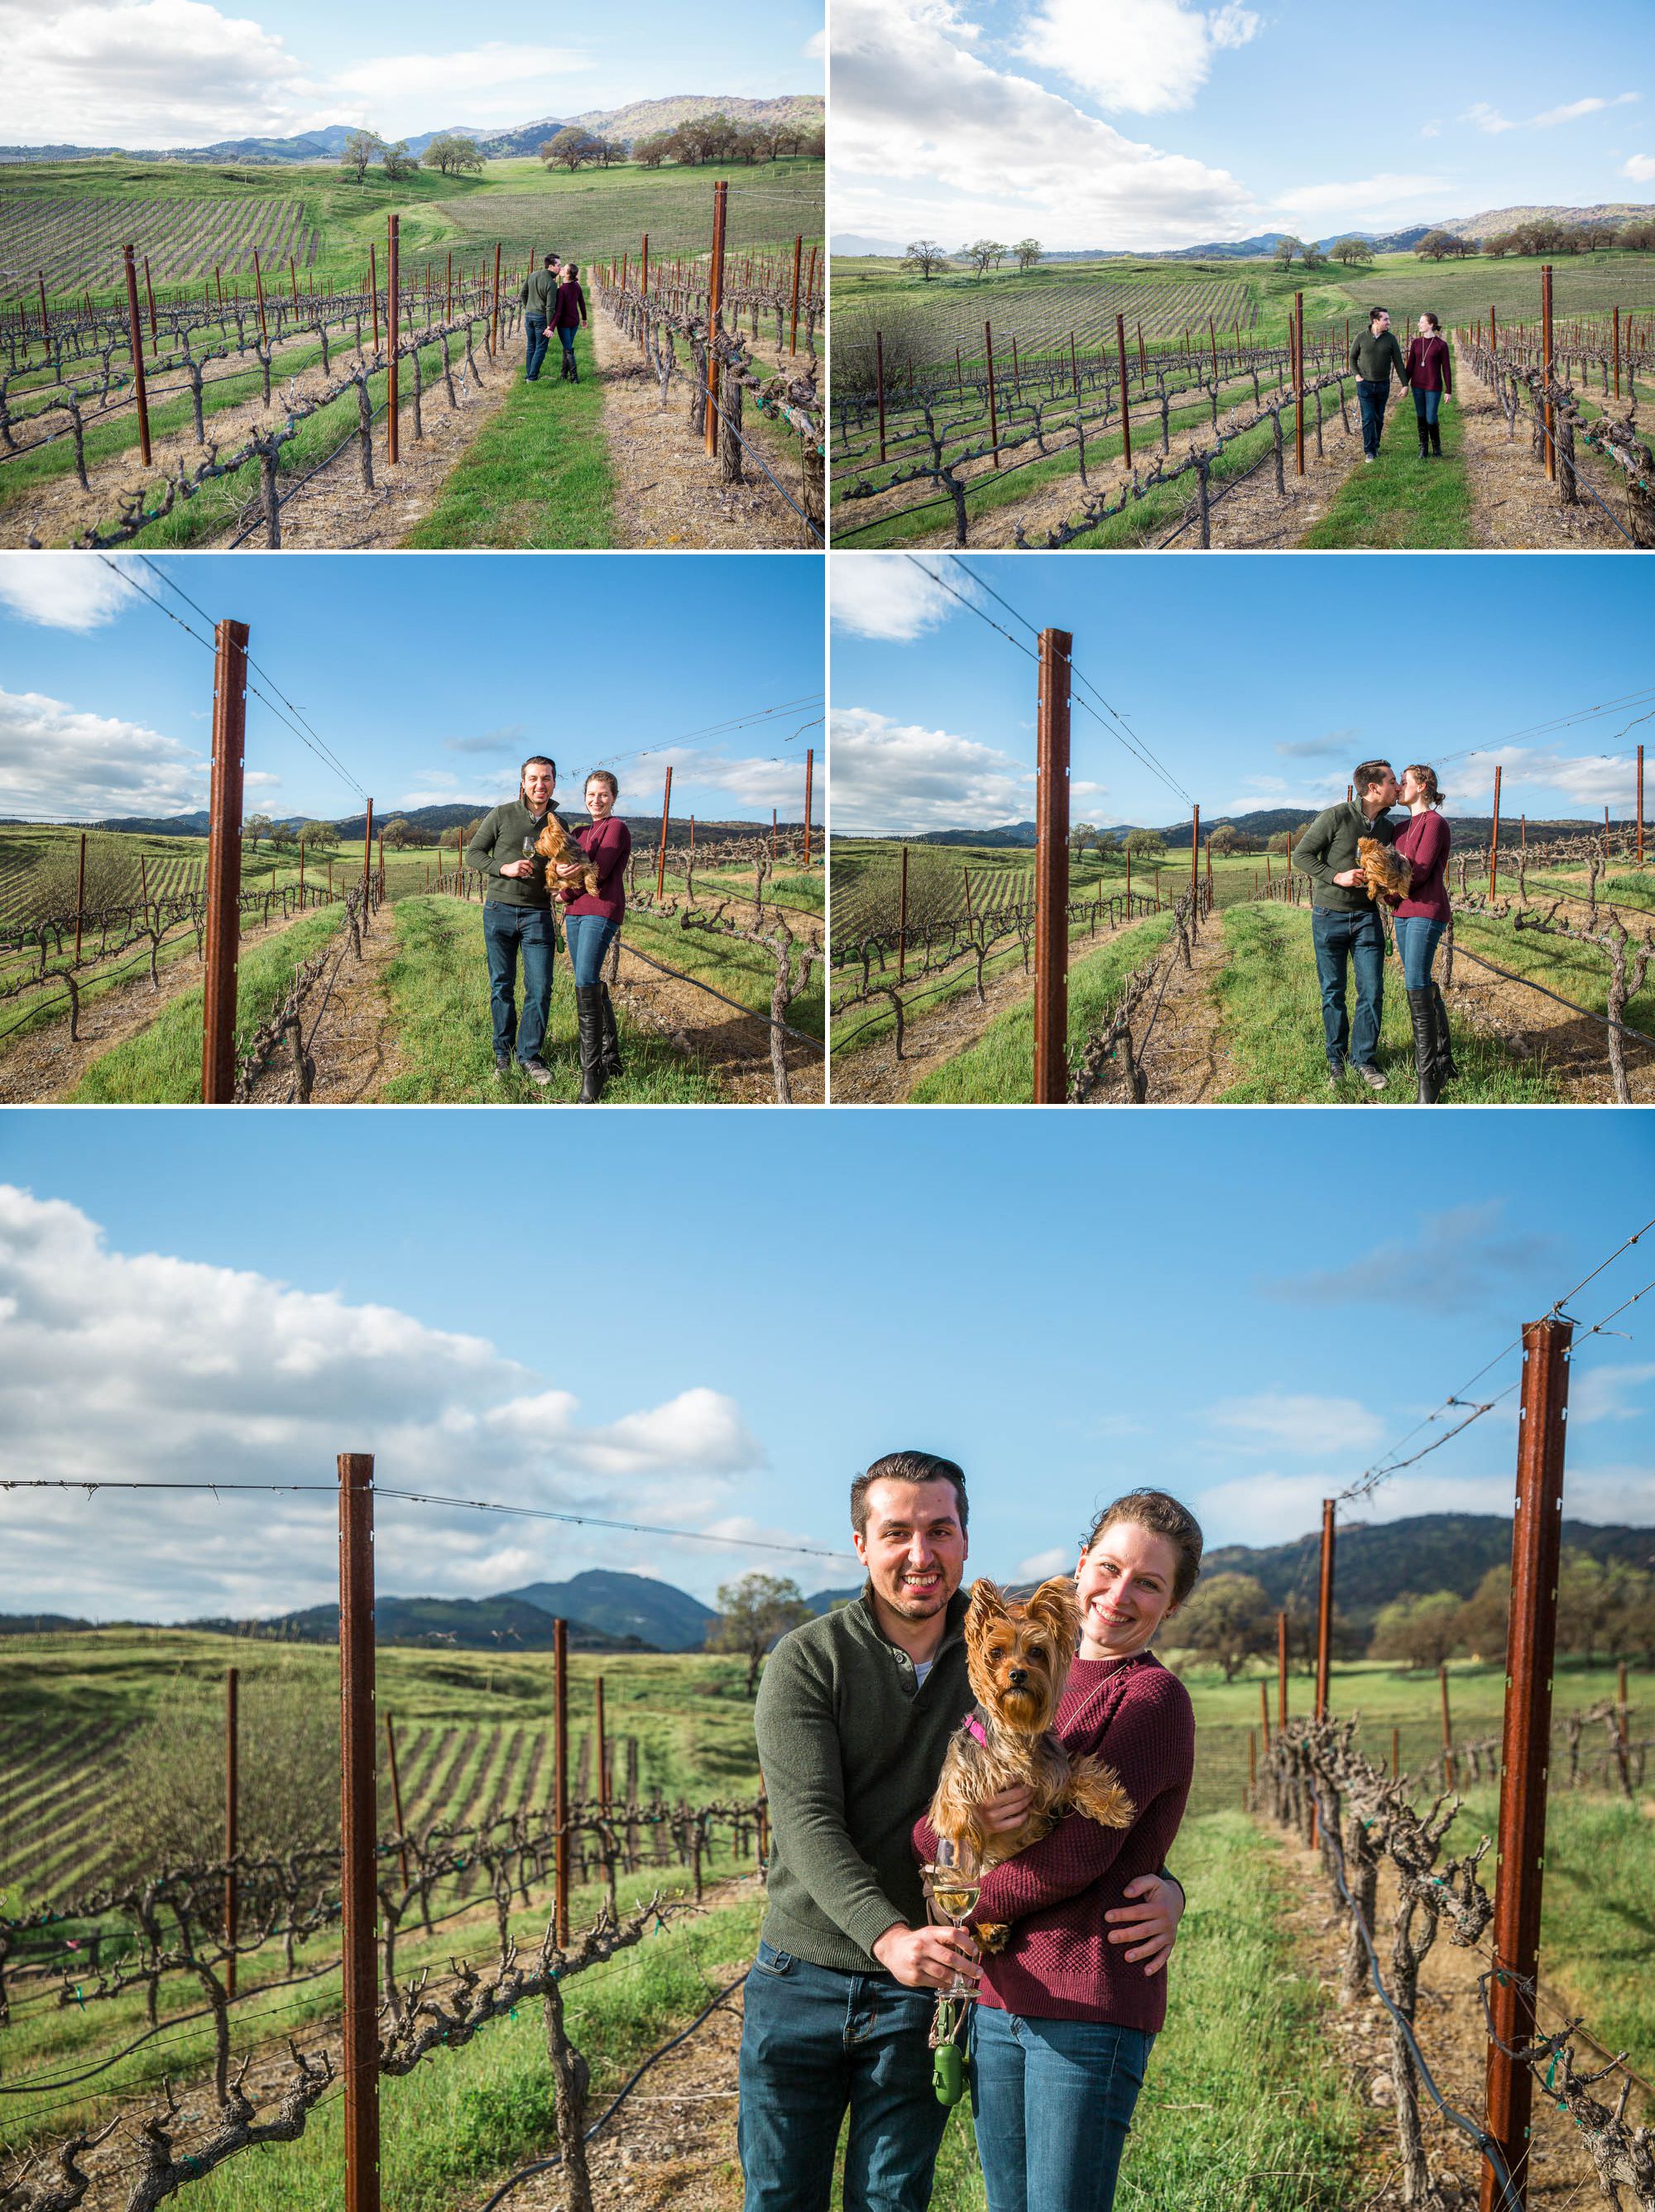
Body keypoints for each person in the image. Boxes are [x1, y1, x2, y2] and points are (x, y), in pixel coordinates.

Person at [741, 1453, 1186, 2212]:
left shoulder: (1000, 1656)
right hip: (808, 1971)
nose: (920, 1553)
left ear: (965, 1540)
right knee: (781, 2197)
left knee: (892, 2198)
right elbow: (809, 1823)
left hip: (932, 1979)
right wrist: (891, 1935)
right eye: (897, 1532)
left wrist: (1169, 1887)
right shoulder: (810, 1659)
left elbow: (1096, 1795)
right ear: (861, 1545)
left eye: (939, 1529)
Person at [914, 1490, 1201, 2212]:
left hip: (1086, 2002)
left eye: (1150, 1582)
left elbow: (1078, 1857)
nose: (1119, 1594)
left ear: (1172, 1603)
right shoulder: (1030, 1677)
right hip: (999, 1992)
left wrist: (959, 1903)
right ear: (1081, 1565)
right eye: (1108, 1567)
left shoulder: (1149, 1697)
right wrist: (963, 1822)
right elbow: (928, 1833)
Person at [1293, 761, 1401, 1091]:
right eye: (1393, 781)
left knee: (1372, 990)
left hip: (1367, 917)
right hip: (1329, 916)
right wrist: (1335, 876)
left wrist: (1384, 889)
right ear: (1374, 788)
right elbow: (1302, 855)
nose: (1398, 787)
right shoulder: (1336, 816)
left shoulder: (1387, 828)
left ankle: (1364, 1060)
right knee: (1333, 992)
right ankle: (1336, 1061)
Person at [464, 755, 564, 1085]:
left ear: (553, 782)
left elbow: (563, 866)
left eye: (546, 778)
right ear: (523, 782)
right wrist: (503, 868)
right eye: (533, 778)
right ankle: (503, 1054)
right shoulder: (502, 814)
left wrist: (562, 883)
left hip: (537, 915)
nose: (540, 785)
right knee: (501, 986)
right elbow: (473, 853)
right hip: (500, 911)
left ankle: (530, 1056)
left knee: (540, 987)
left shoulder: (557, 824)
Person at [557, 770, 631, 1103]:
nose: (596, 800)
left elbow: (594, 875)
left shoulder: (616, 828)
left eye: (603, 794)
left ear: (613, 797)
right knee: (588, 980)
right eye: (591, 794)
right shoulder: (579, 831)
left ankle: (593, 1072)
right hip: (575, 915)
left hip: (600, 910)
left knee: (585, 981)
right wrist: (561, 880)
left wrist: (562, 894)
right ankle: (610, 1055)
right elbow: (564, 867)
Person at [1391, 763, 1454, 1103]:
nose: (1399, 787)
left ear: (1424, 786)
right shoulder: (1400, 827)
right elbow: (1389, 870)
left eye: (1404, 781)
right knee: (1423, 982)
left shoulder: (1434, 824)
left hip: (1426, 912)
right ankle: (1444, 1060)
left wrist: (1389, 889)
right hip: (1402, 912)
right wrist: (1390, 892)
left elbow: (1417, 873)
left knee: (1415, 983)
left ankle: (1428, 1080)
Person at [1349, 306, 1408, 463]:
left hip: (1383, 385)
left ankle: (1376, 444)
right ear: (1376, 321)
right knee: (1368, 418)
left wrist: (1405, 384)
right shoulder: (1361, 337)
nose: (1389, 322)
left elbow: (1398, 362)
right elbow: (1352, 358)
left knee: (1378, 418)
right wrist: (1357, 376)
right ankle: (1370, 451)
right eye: (1386, 319)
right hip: (1365, 384)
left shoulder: (1390, 339)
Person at [1404, 313, 1452, 460]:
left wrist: (1448, 390)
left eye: (1421, 322)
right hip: (1417, 386)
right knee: (1421, 416)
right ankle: (1423, 448)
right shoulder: (1416, 343)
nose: (1419, 325)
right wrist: (1404, 384)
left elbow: (1446, 369)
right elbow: (1410, 365)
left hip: (1433, 386)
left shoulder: (1441, 345)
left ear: (1431, 325)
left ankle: (1436, 447)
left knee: (1431, 417)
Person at [520, 253, 560, 382]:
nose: (560, 268)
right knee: (541, 347)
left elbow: (522, 293)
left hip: (529, 316)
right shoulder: (551, 284)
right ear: (551, 266)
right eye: (558, 265)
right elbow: (550, 308)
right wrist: (550, 326)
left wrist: (528, 307)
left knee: (531, 346)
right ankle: (532, 377)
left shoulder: (532, 275)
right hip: (541, 318)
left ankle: (529, 374)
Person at [553, 261, 588, 382]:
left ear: (568, 274)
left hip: (564, 324)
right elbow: (582, 304)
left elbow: (558, 312)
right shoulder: (576, 286)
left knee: (568, 349)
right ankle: (563, 374)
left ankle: (574, 377)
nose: (561, 269)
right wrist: (584, 319)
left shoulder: (562, 290)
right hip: (574, 322)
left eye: (564, 269)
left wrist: (551, 326)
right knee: (567, 348)